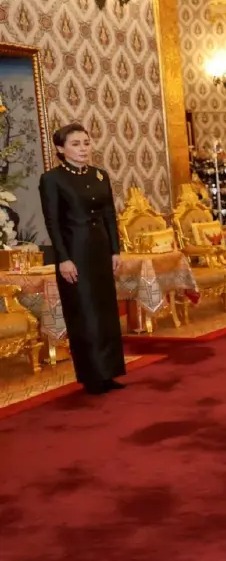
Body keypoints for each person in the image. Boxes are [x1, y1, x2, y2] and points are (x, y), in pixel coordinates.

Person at [39, 124, 125, 395]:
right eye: (75, 144)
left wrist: (115, 251)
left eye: (86, 143)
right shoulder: (52, 179)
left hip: (100, 251)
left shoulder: (100, 175)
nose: (83, 148)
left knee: (105, 312)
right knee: (84, 313)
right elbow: (52, 222)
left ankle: (109, 372)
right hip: (74, 254)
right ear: (61, 149)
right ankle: (92, 376)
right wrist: (62, 259)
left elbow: (110, 215)